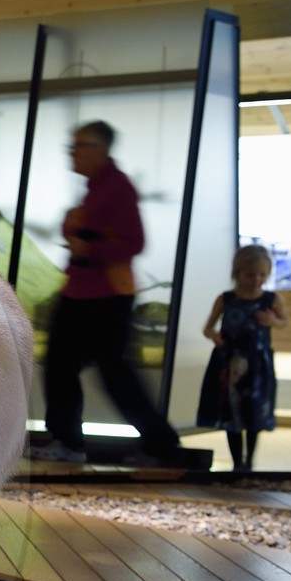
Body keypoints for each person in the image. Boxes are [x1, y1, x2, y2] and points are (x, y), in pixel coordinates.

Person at [31, 121, 182, 465]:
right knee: (63, 366)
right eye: (72, 146)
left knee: (110, 372)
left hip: (107, 294)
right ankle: (69, 443)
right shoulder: (97, 188)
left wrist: (87, 247)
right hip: (82, 291)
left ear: (100, 150)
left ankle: (159, 444)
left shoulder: (118, 187)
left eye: (79, 145)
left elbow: (134, 243)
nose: (73, 152)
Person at [196, 244, 289, 474]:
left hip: (257, 364)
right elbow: (208, 327)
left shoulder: (271, 300)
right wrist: (214, 336)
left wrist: (273, 322)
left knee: (254, 411)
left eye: (262, 275)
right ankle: (237, 461)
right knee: (231, 411)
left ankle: (250, 460)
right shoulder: (226, 299)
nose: (256, 279)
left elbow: (284, 322)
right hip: (229, 361)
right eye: (250, 274)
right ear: (237, 273)